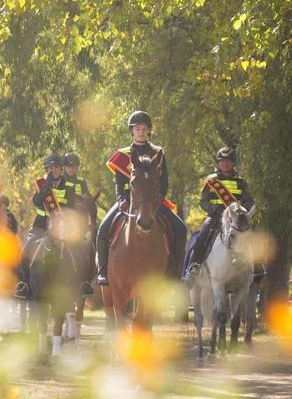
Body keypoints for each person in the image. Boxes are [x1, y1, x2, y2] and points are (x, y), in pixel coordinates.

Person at [95, 110, 187, 285]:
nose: (141, 132)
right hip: (129, 202)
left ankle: (174, 271)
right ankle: (103, 272)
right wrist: (121, 199)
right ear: (132, 131)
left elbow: (164, 180)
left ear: (148, 131)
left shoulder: (157, 152)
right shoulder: (122, 155)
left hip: (153, 202)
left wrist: (160, 197)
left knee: (181, 228)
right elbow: (119, 182)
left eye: (144, 129)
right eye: (137, 129)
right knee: (102, 229)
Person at [182, 147, 254, 284]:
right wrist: (216, 210)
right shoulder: (211, 181)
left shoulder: (241, 182)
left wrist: (242, 212)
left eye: (228, 161)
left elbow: (248, 201)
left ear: (233, 163)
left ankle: (257, 267)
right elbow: (203, 201)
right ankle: (193, 267)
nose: (225, 164)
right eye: (222, 161)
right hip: (215, 216)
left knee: (253, 233)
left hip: (236, 218)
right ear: (218, 163)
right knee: (202, 236)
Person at [13, 153, 75, 299]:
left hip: (61, 229)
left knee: (76, 253)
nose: (53, 171)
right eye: (50, 168)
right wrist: (46, 186)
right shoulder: (41, 184)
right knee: (25, 252)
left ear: (61, 169)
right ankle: (23, 285)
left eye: (56, 168)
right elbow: (37, 202)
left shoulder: (69, 187)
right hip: (41, 226)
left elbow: (70, 208)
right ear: (46, 170)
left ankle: (79, 285)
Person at [62, 152, 95, 296]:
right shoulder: (60, 180)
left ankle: (87, 281)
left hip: (79, 218)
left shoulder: (81, 181)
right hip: (63, 217)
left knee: (90, 245)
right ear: (64, 167)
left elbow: (86, 198)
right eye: (69, 167)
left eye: (74, 167)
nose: (72, 169)